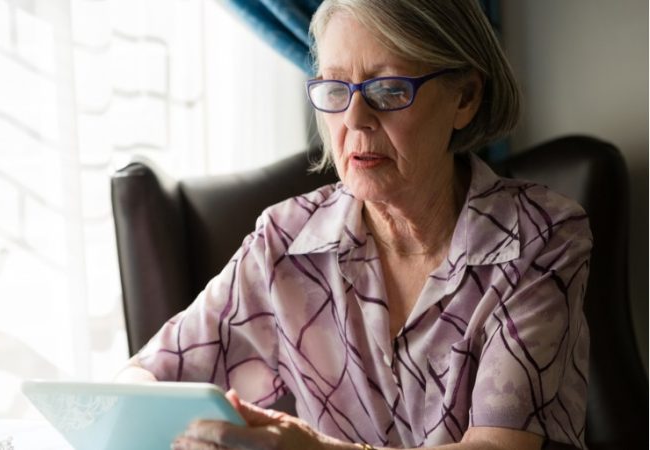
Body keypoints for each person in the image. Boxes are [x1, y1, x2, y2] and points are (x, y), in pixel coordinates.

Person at [116, 0, 591, 449]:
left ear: (464, 98)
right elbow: (145, 382)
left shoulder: (541, 237)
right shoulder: (284, 241)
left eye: (388, 90)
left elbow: (497, 447)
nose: (355, 119)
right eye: (335, 89)